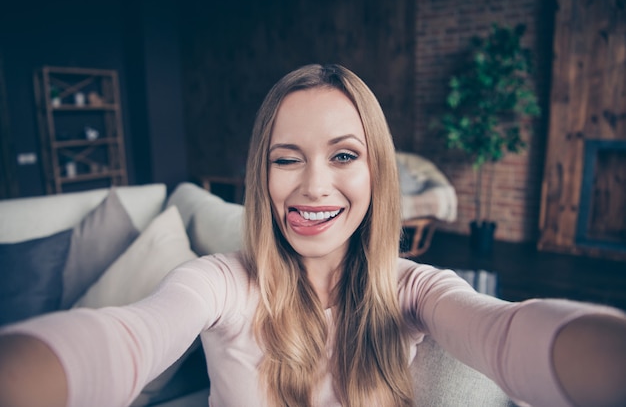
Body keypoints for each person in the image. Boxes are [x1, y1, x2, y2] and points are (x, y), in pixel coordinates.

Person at [1, 64, 626, 407]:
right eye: (286, 158)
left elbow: (507, 333)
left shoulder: (413, 290)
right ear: (262, 175)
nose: (314, 186)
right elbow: (125, 340)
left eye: (344, 156)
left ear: (376, 172)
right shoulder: (222, 283)